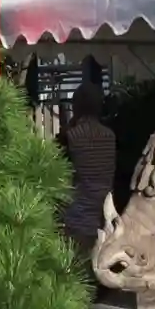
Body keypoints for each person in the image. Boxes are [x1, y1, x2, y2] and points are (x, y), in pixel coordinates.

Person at [60, 81, 116, 254]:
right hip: (105, 216)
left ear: (76, 107)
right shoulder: (110, 136)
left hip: (78, 217)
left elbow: (57, 169)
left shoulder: (70, 136)